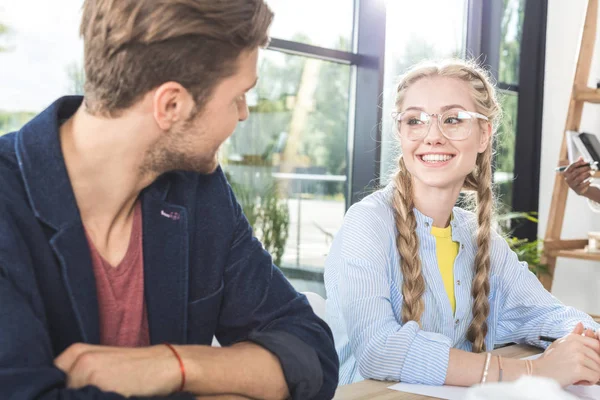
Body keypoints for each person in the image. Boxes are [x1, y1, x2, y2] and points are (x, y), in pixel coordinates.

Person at [0, 1, 338, 399]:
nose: (244, 114)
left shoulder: (198, 192)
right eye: (239, 96)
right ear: (171, 105)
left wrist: (174, 365)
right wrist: (234, 383)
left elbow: (311, 353)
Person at [324, 59, 600, 388]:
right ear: (401, 133)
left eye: (452, 119)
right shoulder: (367, 223)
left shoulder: (478, 235)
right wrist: (533, 371)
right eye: (415, 121)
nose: (433, 136)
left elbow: (546, 313)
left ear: (484, 134)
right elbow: (380, 350)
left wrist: (584, 343)